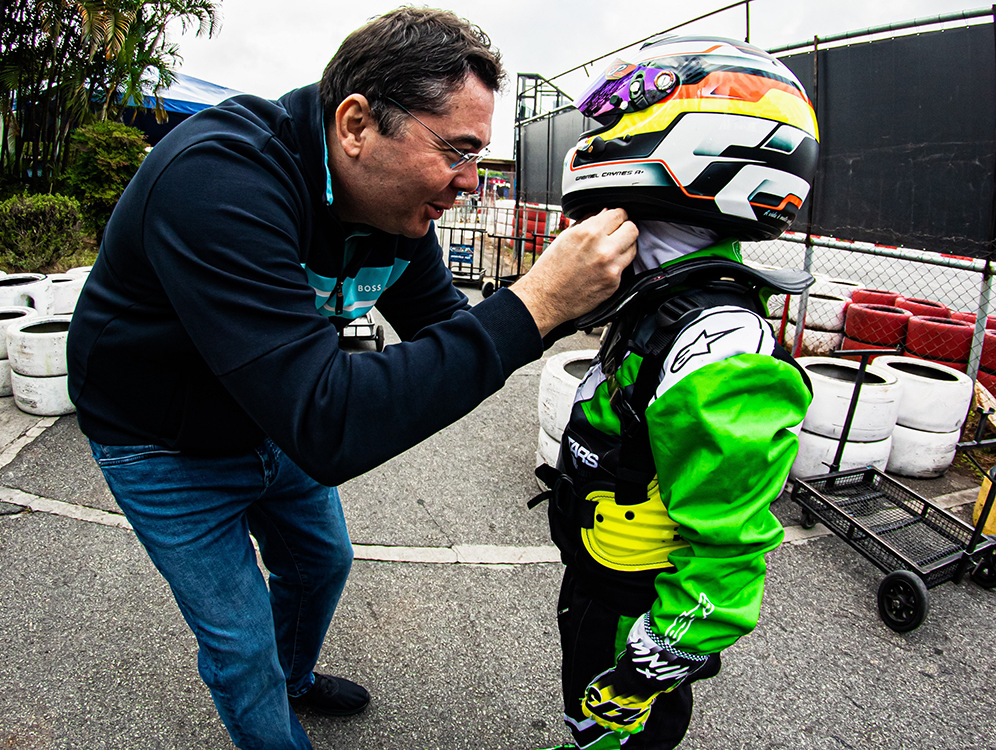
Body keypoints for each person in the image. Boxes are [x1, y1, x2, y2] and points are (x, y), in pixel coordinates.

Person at [66, 8, 637, 750]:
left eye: (479, 156)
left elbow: (453, 332)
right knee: (240, 650)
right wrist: (537, 301)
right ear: (357, 124)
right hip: (160, 441)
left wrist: (587, 295)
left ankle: (295, 674)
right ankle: (273, 703)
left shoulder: (395, 209)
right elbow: (329, 425)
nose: (470, 182)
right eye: (458, 152)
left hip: (271, 414)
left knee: (319, 560)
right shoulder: (218, 180)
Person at [532, 35, 820, 750]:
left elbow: (728, 550)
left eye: (612, 128)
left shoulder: (718, 341)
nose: (597, 143)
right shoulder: (660, 295)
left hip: (641, 609)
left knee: (618, 728)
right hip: (599, 577)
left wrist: (653, 662)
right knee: (584, 713)